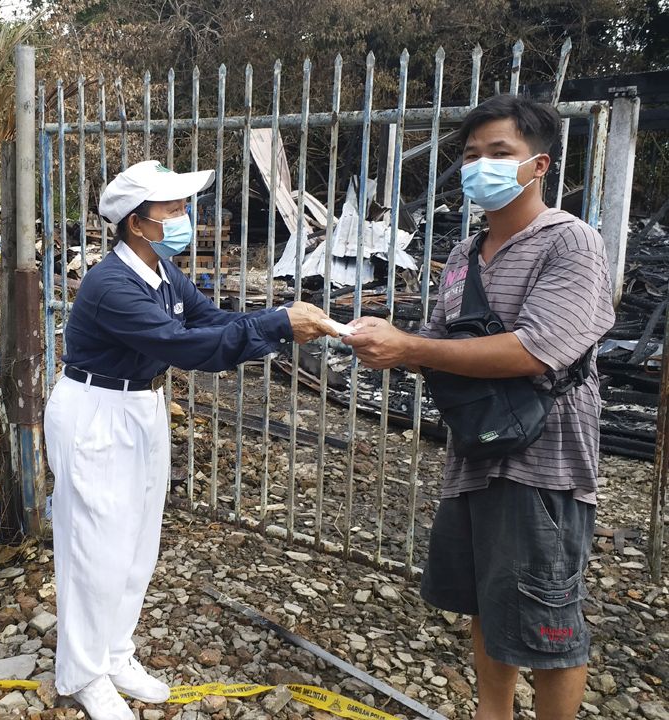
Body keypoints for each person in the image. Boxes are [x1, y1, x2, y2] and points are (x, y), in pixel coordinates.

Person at [344, 95, 615, 719]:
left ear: (539, 165)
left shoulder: (570, 243)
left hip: (545, 463)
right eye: (470, 155)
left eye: (500, 153)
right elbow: (440, 343)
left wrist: (412, 346)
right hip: (476, 453)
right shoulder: (465, 256)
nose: (481, 167)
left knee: (549, 624)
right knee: (488, 606)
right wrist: (385, 343)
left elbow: (538, 350)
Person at [45, 160, 338, 720]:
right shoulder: (112, 285)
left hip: (141, 404)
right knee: (96, 548)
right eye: (173, 210)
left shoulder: (162, 271)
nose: (186, 219)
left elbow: (209, 319)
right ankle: (83, 673)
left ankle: (115, 652)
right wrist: (278, 325)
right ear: (136, 223)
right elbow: (186, 346)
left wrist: (275, 319)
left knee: (136, 544)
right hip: (97, 410)